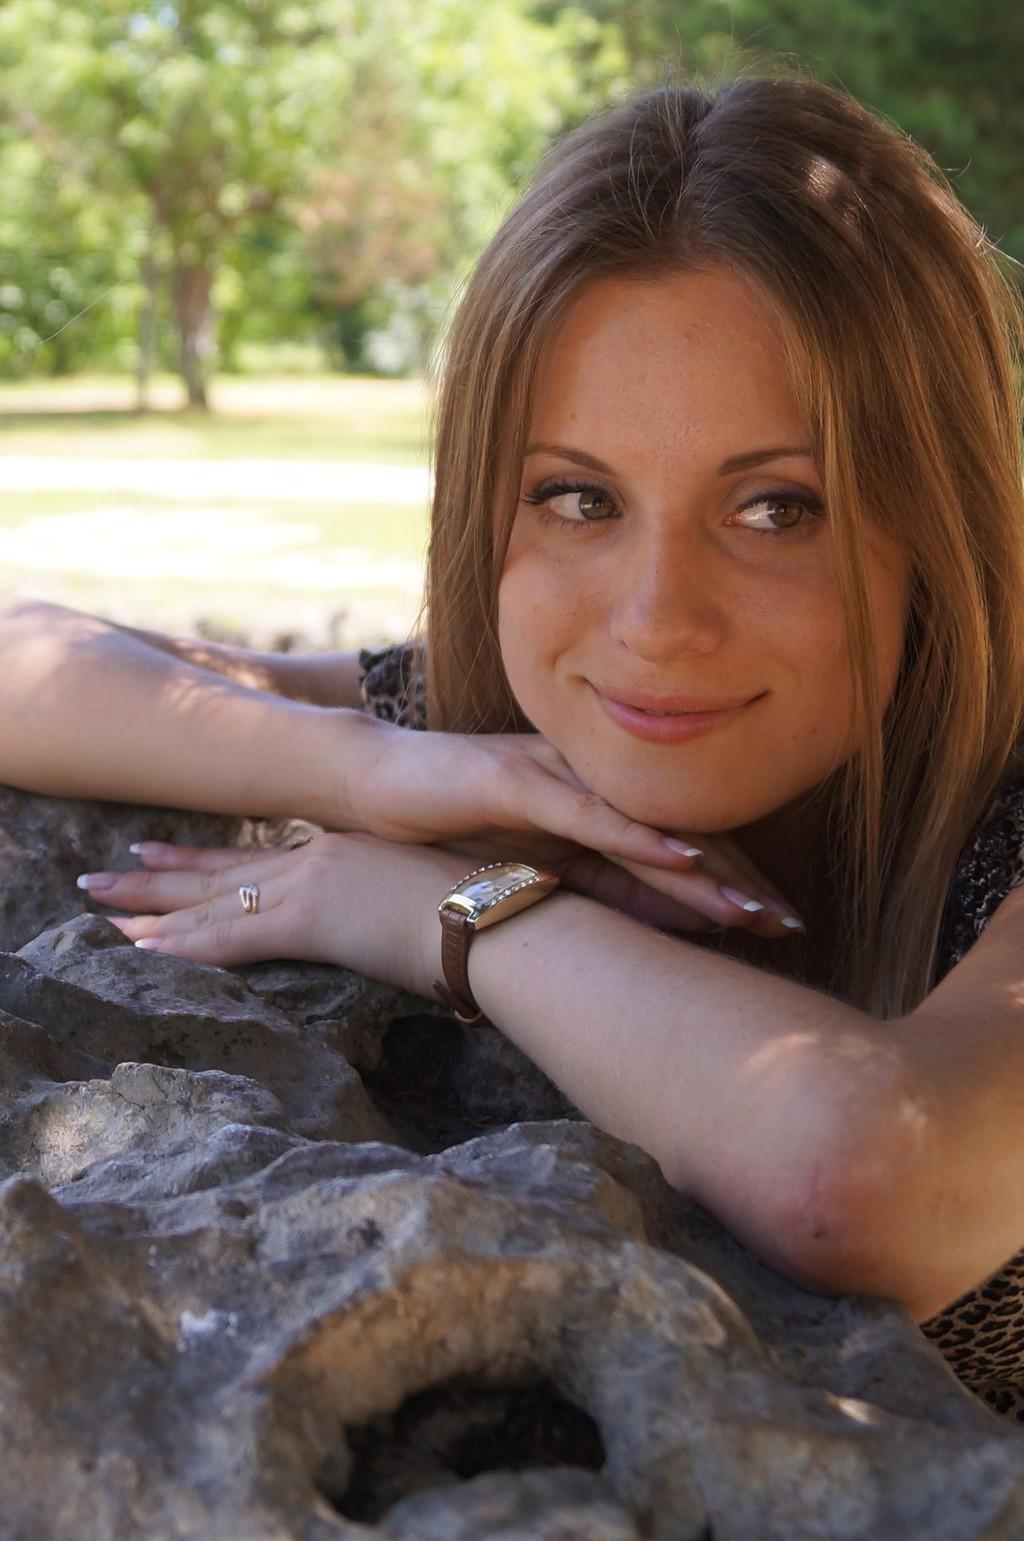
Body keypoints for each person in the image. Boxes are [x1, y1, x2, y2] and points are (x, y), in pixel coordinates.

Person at [3, 70, 1024, 1421]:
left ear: (933, 527)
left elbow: (859, 1175)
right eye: (580, 497)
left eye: (778, 509)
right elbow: (27, 663)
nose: (656, 621)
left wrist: (444, 908)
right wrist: (372, 767)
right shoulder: (497, 730)